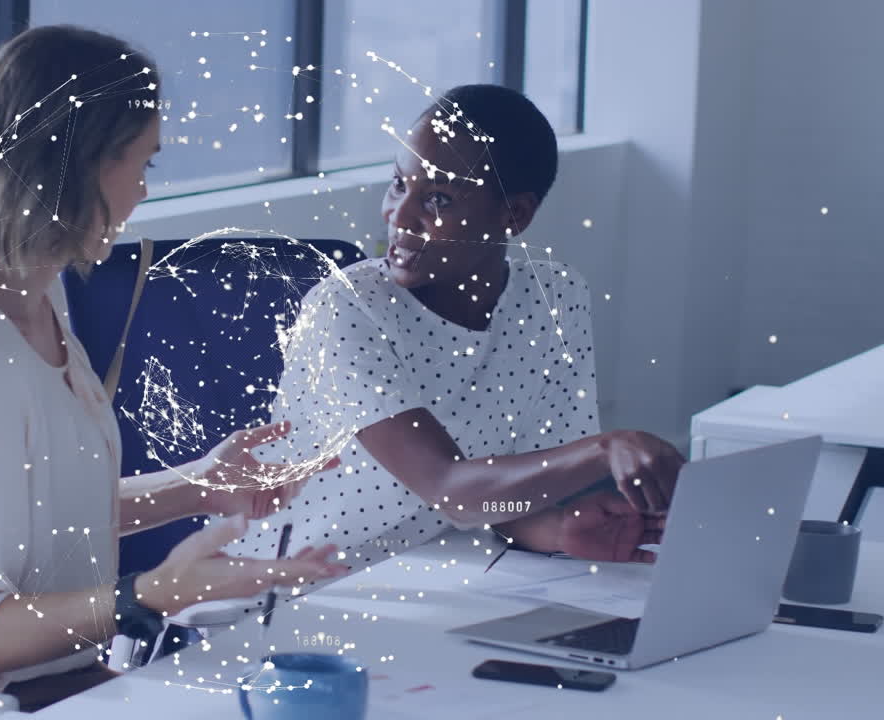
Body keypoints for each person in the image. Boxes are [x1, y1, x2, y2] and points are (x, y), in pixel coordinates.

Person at [0, 25, 345, 713]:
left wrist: (202, 485)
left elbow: (38, 521)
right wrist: (150, 595)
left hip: (59, 687)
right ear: (75, 167)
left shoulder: (27, 300)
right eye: (141, 165)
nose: (143, 193)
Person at [235, 84, 685, 578]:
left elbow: (505, 497)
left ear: (514, 214)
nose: (399, 216)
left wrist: (559, 530)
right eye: (398, 184)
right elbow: (448, 489)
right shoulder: (346, 308)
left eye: (438, 198)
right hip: (289, 590)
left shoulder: (553, 298)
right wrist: (605, 448)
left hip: (440, 572)